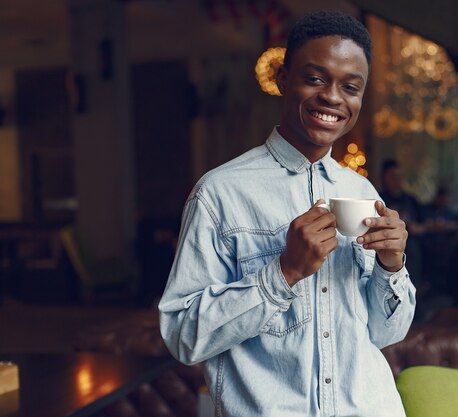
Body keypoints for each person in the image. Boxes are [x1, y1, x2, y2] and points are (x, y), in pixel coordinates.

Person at [158, 10, 416, 417]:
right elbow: (182, 336)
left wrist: (392, 265)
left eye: (350, 87)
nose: (332, 97)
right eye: (315, 78)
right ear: (282, 80)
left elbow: (387, 333)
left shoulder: (361, 190)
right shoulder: (220, 193)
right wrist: (284, 273)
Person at [378, 159, 425, 287]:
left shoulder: (411, 200)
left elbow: (424, 225)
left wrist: (414, 228)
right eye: (393, 177)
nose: (397, 180)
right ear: (384, 178)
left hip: (412, 252)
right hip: (386, 253)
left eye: (399, 177)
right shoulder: (378, 199)